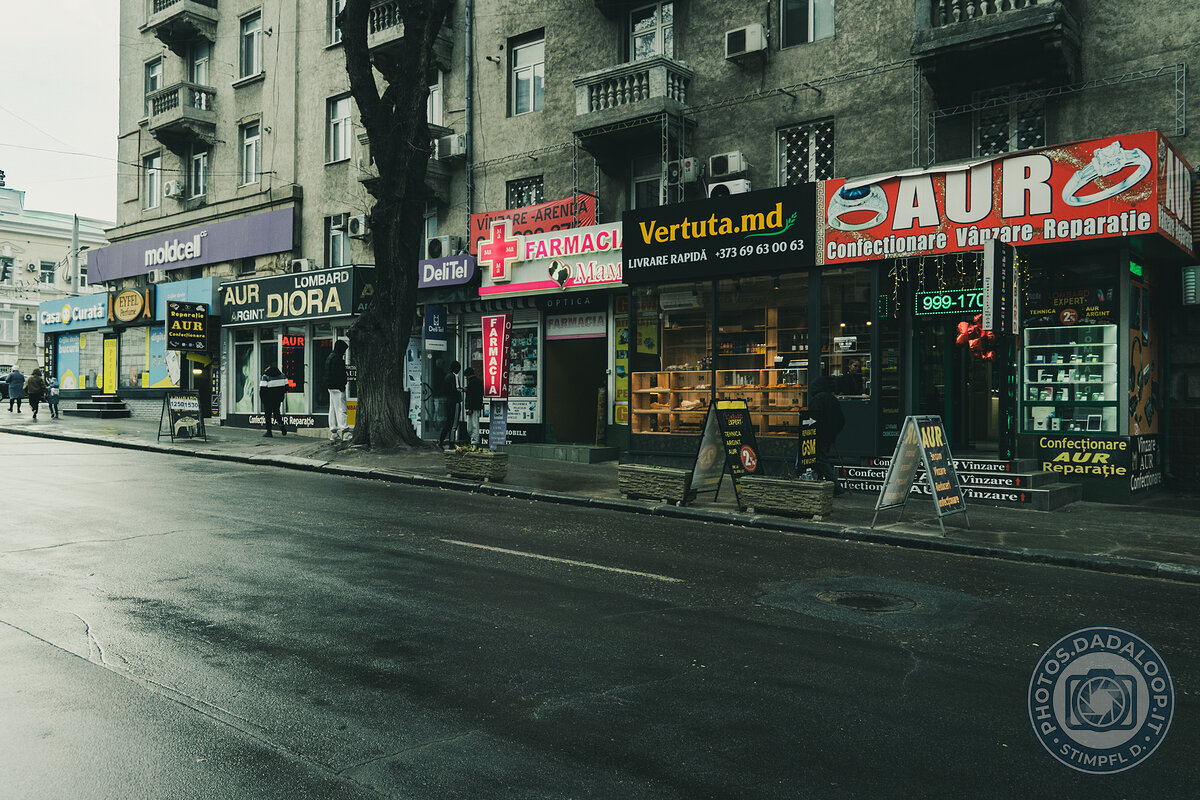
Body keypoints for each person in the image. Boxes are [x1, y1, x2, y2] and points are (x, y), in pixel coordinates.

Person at [808, 375, 845, 495]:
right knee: (821, 459)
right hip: (829, 435)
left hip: (819, 435)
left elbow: (813, 417)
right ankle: (821, 484)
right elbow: (841, 420)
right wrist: (832, 433)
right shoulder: (832, 399)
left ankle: (836, 486)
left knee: (820, 459)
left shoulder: (817, 399)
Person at [325, 339, 350, 443]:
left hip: (331, 387)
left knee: (333, 410)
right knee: (341, 409)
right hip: (338, 387)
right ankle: (345, 431)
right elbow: (340, 374)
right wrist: (342, 385)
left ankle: (334, 432)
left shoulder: (330, 357)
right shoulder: (337, 359)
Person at [259, 364, 289, 437]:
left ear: (267, 369)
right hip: (278, 398)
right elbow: (287, 387)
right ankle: (281, 425)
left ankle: (269, 432)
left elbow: (262, 390)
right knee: (277, 412)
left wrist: (263, 399)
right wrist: (280, 394)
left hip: (268, 399)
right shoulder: (282, 375)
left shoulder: (265, 376)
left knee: (268, 415)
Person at [437, 360, 461, 450]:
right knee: (454, 424)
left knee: (448, 423)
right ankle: (451, 443)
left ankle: (441, 441)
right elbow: (456, 389)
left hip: (448, 401)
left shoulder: (447, 376)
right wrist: (461, 390)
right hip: (455, 402)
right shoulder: (455, 376)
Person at [462, 366, 484, 445]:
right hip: (476, 406)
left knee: (472, 426)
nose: (466, 378)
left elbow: (471, 396)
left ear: (468, 375)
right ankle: (474, 441)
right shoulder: (478, 382)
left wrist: (469, 408)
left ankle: (474, 442)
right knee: (474, 425)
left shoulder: (472, 383)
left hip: (472, 407)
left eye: (466, 376)